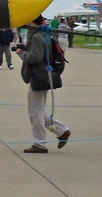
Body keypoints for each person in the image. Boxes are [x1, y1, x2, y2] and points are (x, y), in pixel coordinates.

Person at [19, 16, 71, 153]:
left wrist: (22, 54)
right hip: (43, 75)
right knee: (39, 109)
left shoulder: (36, 36)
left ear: (32, 21)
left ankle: (40, 143)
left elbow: (35, 57)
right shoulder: (43, 34)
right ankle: (62, 131)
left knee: (35, 111)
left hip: (39, 76)